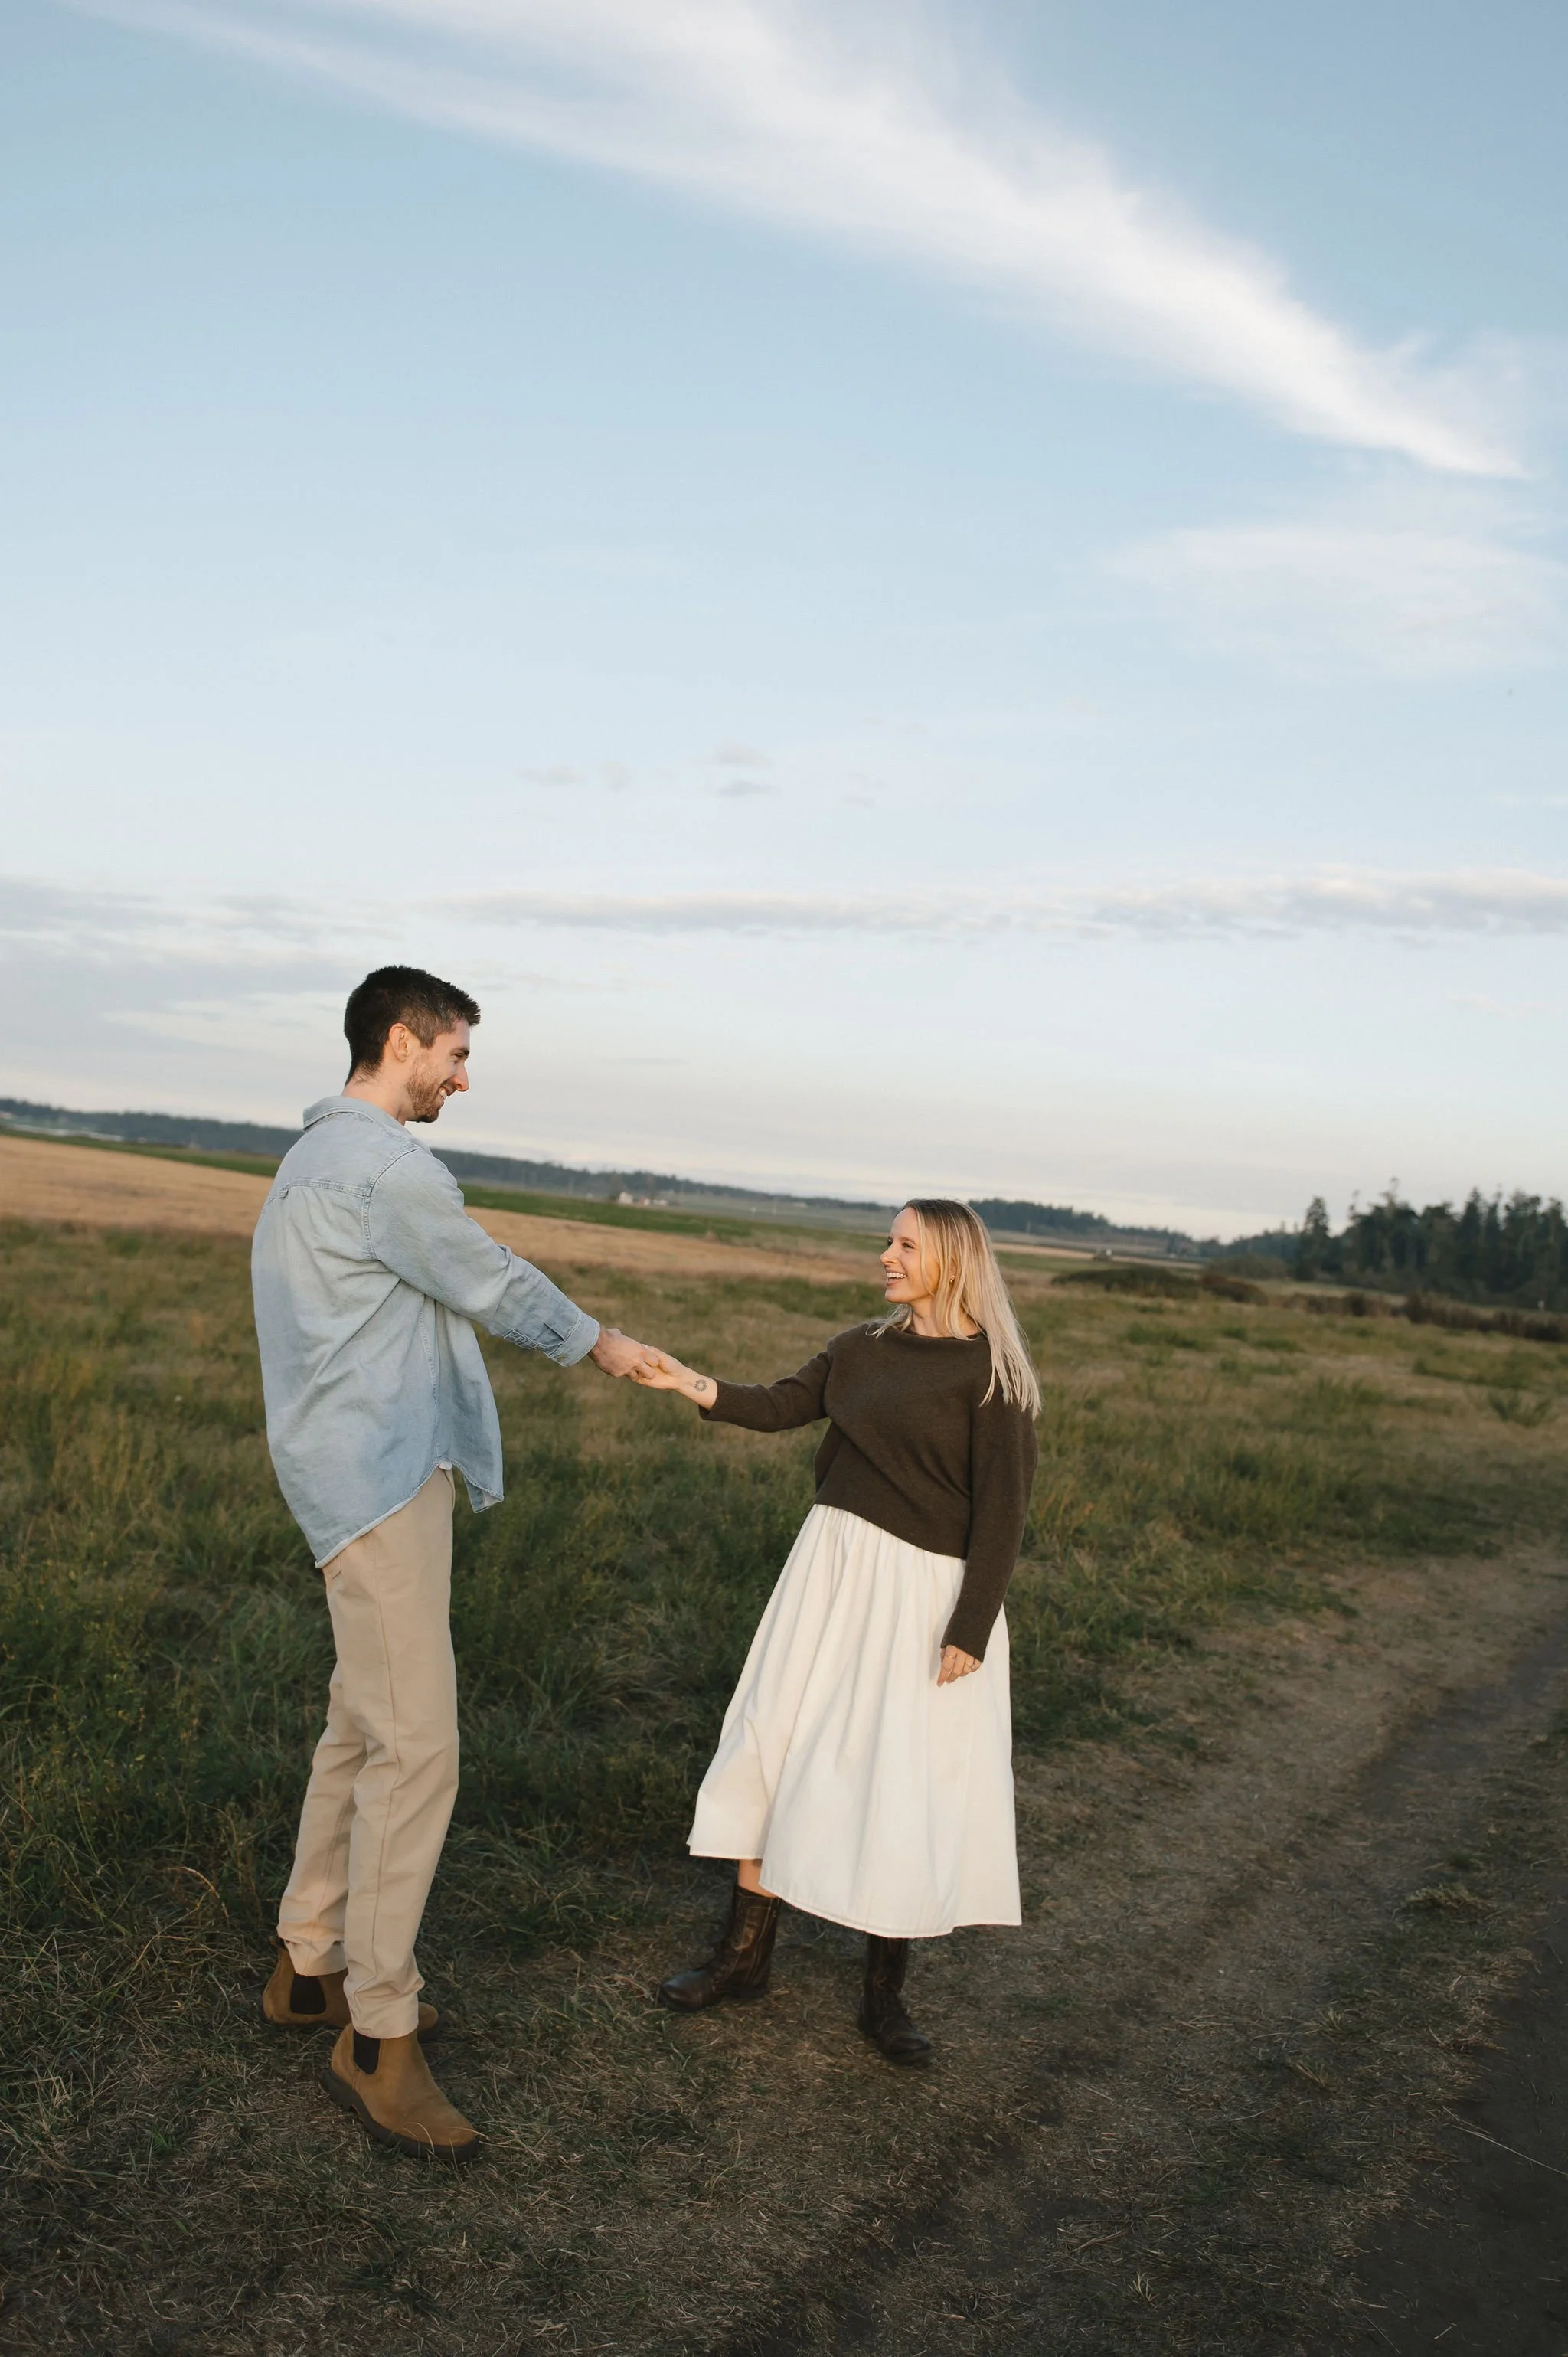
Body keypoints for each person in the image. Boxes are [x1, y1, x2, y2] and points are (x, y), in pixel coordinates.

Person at [251, 964, 655, 2161]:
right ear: (402, 1041)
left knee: (361, 1719)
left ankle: (309, 1960)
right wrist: (600, 1341)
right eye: (456, 1054)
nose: (463, 1078)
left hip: (351, 1473)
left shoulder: (308, 1158)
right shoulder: (383, 1167)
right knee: (419, 1747)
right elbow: (487, 1276)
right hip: (377, 1482)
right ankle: (378, 2030)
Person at [632, 1198, 1039, 2065]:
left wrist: (969, 1626)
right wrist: (689, 1383)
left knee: (899, 1773)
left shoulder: (990, 1374)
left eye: (905, 1245)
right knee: (773, 1740)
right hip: (826, 1573)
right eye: (888, 1241)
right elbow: (782, 1404)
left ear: (951, 1259)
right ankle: (743, 1959)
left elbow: (1003, 1515)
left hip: (924, 1596)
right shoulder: (860, 1348)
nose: (886, 1255)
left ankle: (883, 1996)